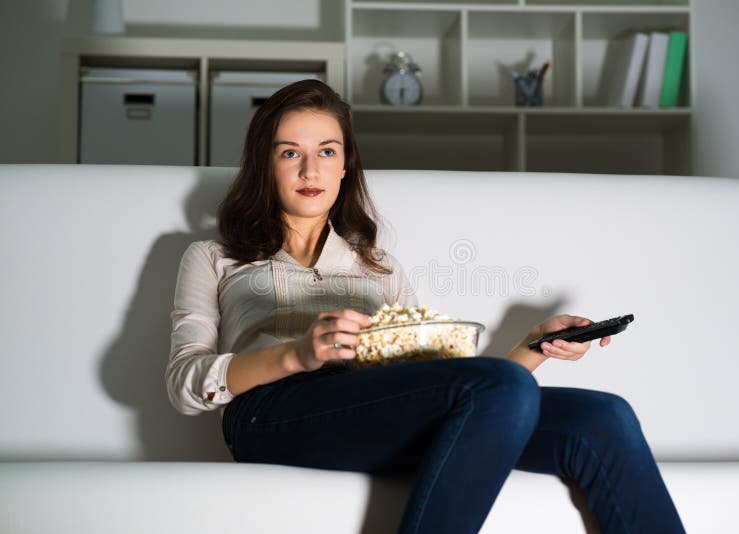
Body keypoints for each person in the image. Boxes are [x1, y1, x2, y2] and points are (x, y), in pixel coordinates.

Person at [166, 79, 685, 534]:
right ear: (265, 163)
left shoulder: (380, 268)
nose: (310, 168)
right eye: (289, 153)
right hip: (270, 416)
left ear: (346, 165)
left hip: (372, 408)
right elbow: (185, 383)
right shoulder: (214, 257)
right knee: (498, 389)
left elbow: (464, 393)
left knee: (603, 416)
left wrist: (534, 346)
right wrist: (296, 355)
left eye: (327, 151)